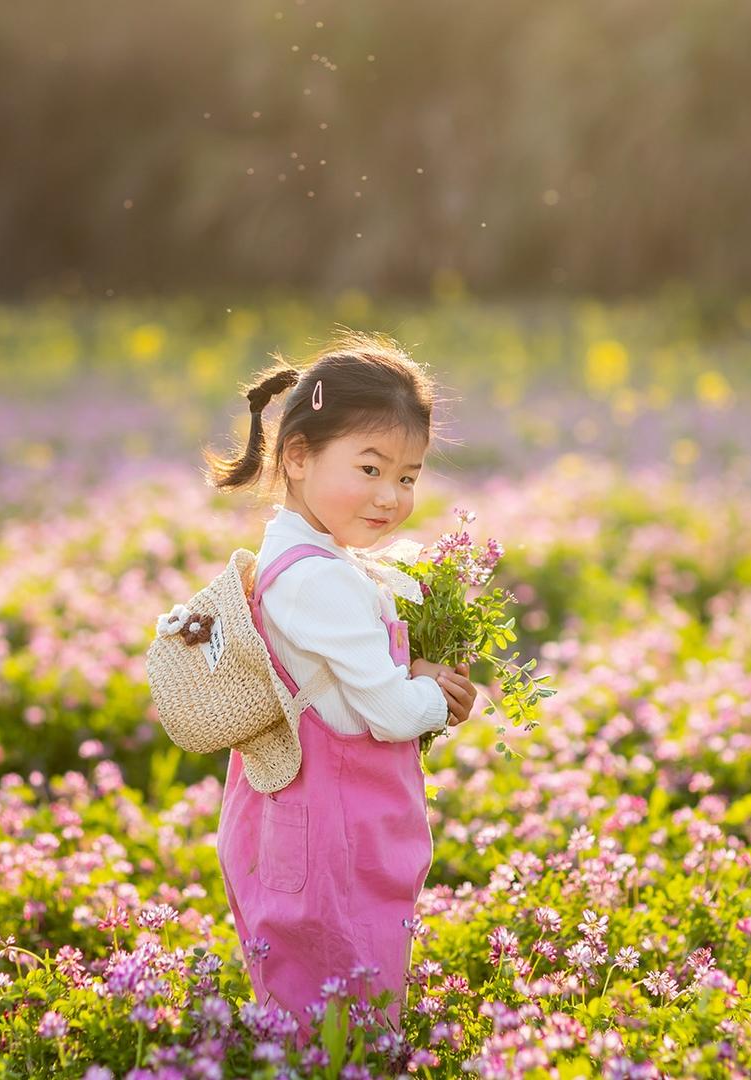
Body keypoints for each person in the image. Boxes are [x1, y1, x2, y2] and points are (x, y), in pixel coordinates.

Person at [202, 329, 477, 1047]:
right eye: (369, 467)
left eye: (408, 477)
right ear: (298, 456)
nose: (391, 496)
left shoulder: (303, 553)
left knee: (323, 994)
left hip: (312, 815)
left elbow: (347, 683)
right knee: (337, 1002)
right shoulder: (319, 578)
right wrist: (438, 698)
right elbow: (390, 713)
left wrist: (412, 675)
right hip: (330, 829)